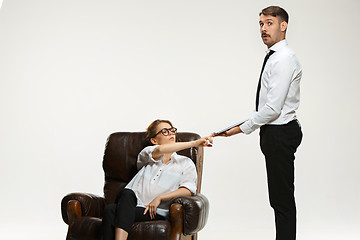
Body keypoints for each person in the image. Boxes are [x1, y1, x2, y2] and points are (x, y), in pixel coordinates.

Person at [215, 6, 303, 240]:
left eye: (270, 23)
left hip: (280, 132)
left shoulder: (283, 59)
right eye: (261, 24)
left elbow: (273, 109)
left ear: (283, 26)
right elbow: (268, 107)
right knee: (279, 198)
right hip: (275, 131)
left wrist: (241, 128)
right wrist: (239, 125)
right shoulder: (275, 56)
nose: (263, 28)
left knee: (282, 200)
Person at [101, 119, 213, 240]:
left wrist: (160, 197)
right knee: (127, 193)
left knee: (110, 210)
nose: (170, 134)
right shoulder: (148, 153)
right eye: (164, 131)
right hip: (131, 203)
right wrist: (194, 143)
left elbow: (188, 190)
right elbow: (160, 150)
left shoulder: (186, 163)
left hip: (155, 212)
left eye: (172, 130)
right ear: (154, 140)